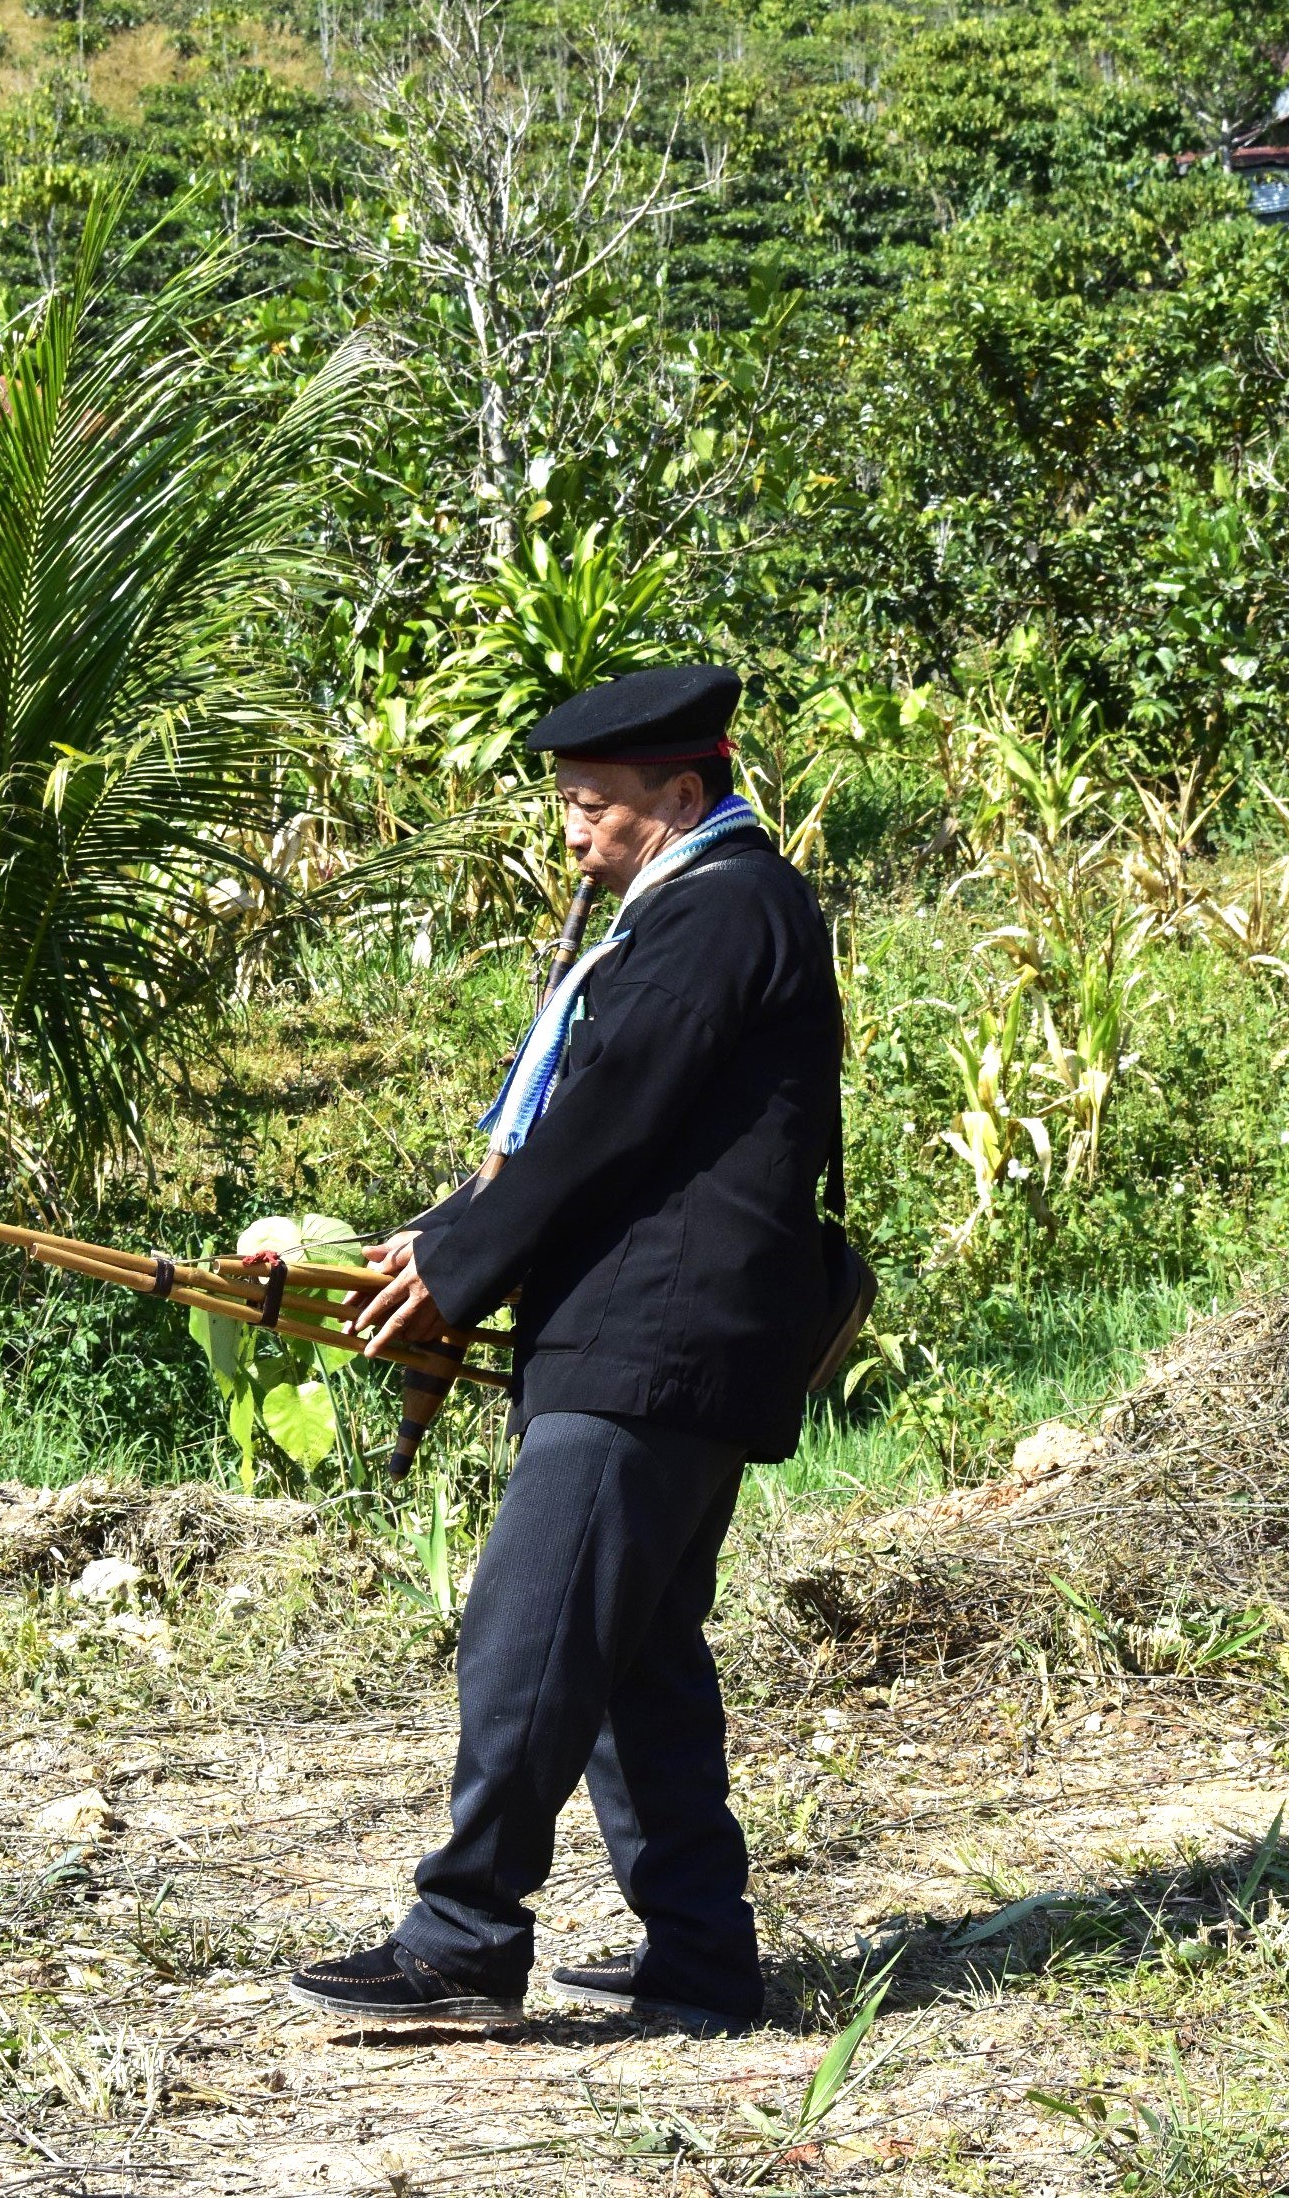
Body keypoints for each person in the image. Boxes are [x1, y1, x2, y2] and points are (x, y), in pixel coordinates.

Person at [289, 664, 842, 2035]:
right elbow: (563, 1143)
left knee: (527, 1629)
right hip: (650, 1336)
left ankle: (465, 1930)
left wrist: (457, 1271)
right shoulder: (694, 909)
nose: (576, 832)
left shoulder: (724, 907)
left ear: (681, 793)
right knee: (629, 1656)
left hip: (655, 1340)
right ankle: (703, 1958)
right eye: (570, 802)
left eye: (597, 803)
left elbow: (598, 1124)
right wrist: (410, 1252)